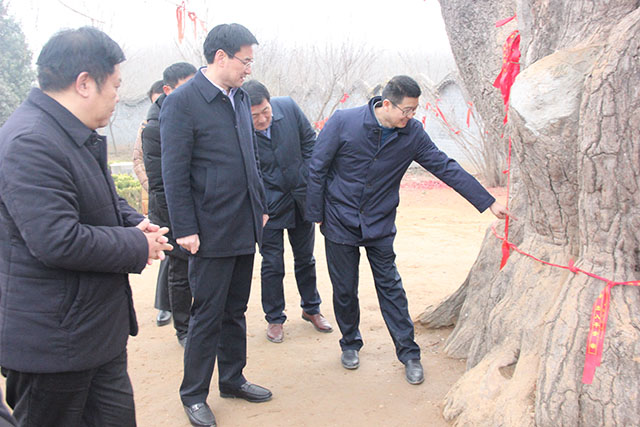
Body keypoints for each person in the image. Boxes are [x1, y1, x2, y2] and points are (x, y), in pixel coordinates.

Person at [0, 27, 172, 426]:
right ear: (84, 83)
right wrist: (135, 245)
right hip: (53, 343)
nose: (117, 96)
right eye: (114, 85)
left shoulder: (72, 135)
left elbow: (102, 201)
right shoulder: (30, 141)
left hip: (94, 333)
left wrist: (138, 223)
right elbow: (56, 239)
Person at [305, 75, 509, 385]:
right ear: (386, 104)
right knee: (344, 289)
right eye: (407, 110)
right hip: (339, 219)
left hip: (380, 222)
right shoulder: (344, 122)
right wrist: (317, 214)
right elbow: (317, 166)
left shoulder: (412, 134)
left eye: (414, 110)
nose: (411, 116)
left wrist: (487, 201)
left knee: (392, 288)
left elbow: (444, 166)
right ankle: (350, 343)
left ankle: (409, 353)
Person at [160, 23, 271, 427]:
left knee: (236, 308)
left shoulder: (240, 98)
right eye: (245, 61)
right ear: (220, 57)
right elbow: (173, 172)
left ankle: (232, 378)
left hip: (245, 222)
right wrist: (185, 228)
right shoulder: (184, 102)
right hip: (208, 227)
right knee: (207, 312)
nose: (249, 70)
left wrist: (260, 205)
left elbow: (250, 156)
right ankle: (193, 394)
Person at [242, 80, 332, 343]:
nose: (261, 120)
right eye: (254, 116)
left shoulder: (289, 108)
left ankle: (311, 308)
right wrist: (260, 201)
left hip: (300, 199)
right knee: (272, 263)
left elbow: (310, 144)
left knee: (306, 258)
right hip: (267, 206)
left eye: (265, 112)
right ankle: (275, 318)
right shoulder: (238, 127)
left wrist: (306, 179)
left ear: (271, 104)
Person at [143, 62, 197, 347]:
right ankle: (184, 329)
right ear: (168, 89)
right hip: (170, 212)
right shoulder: (153, 130)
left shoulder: (193, 115)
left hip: (197, 207)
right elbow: (160, 183)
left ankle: (200, 323)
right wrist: (178, 222)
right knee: (179, 272)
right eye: (186, 85)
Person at [133, 79, 173, 328]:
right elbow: (138, 161)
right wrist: (153, 187)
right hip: (160, 198)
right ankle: (164, 306)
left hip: (180, 197)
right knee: (167, 253)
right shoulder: (148, 126)